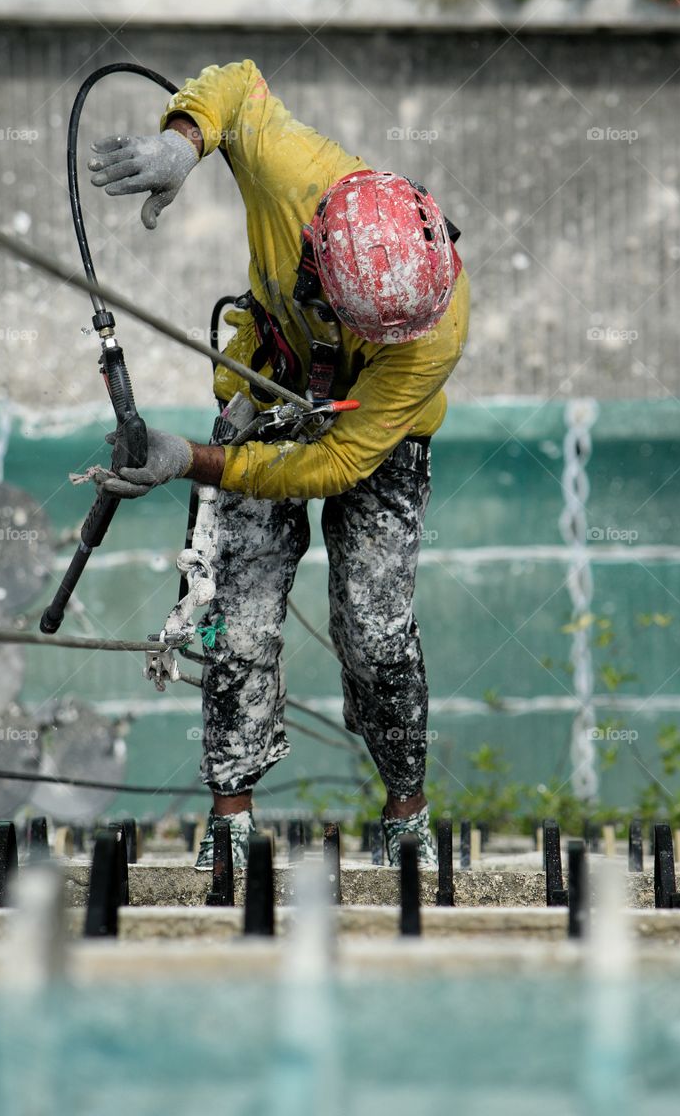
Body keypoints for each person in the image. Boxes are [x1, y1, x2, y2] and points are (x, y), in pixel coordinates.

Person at [87, 60, 469, 868]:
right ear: (318, 260)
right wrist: (182, 144)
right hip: (266, 394)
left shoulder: (429, 328)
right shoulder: (295, 171)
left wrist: (191, 460)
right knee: (240, 610)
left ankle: (405, 809)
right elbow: (235, 84)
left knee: (374, 629)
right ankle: (230, 815)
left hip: (374, 433)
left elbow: (331, 465)